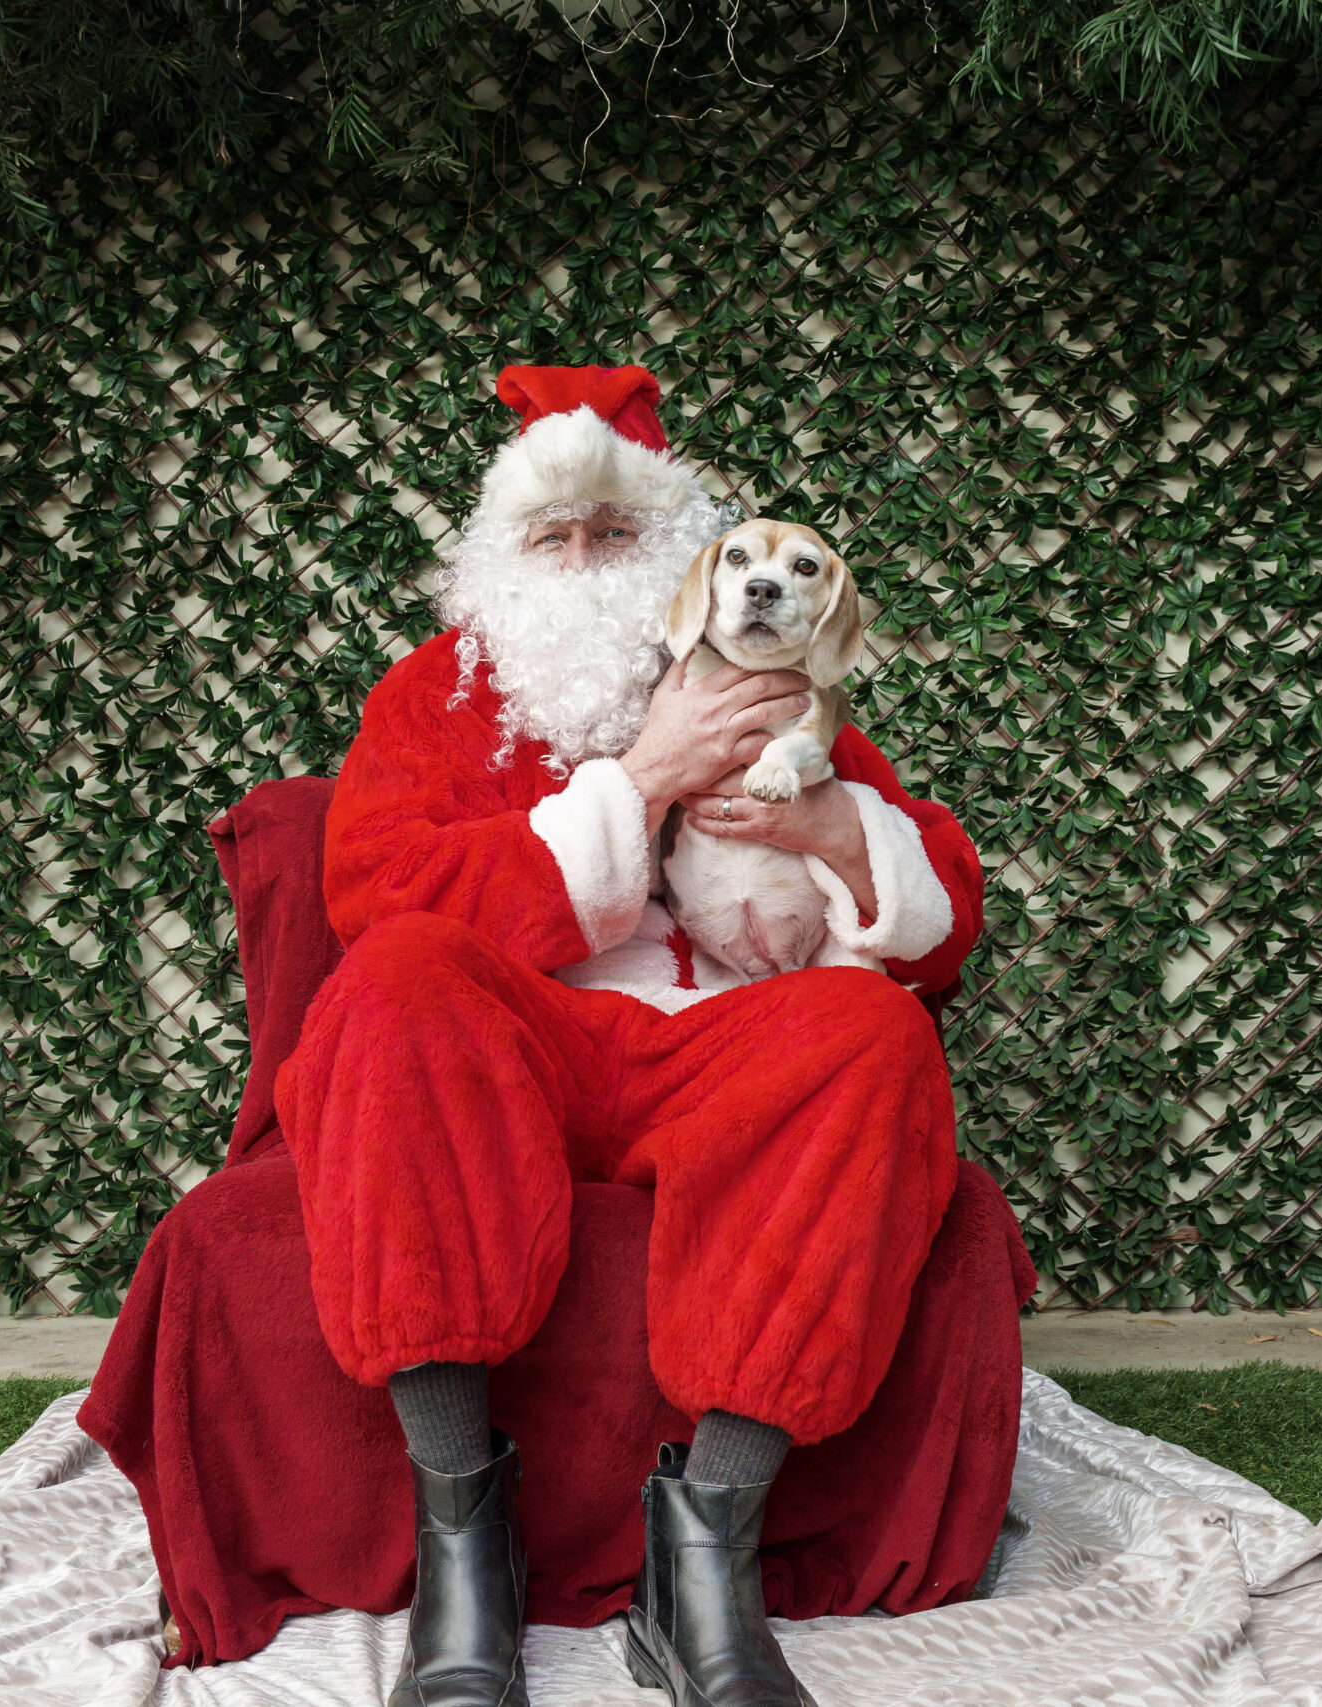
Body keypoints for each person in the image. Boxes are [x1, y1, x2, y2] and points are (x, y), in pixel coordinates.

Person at [281, 363, 983, 1707]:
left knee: (868, 1027)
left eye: (615, 535)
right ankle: (465, 1560)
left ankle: (702, 1565)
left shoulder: (771, 687)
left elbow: (937, 927)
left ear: (682, 557)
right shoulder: (431, 695)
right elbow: (374, 896)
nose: (581, 564)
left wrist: (836, 829)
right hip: (519, 1043)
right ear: (502, 557)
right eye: (552, 537)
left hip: (718, 1047)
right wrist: (644, 777)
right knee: (399, 972)